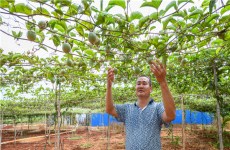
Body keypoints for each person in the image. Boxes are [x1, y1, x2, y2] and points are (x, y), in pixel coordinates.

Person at [106, 60, 176, 150]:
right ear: (135, 88)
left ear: (150, 89)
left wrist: (163, 82)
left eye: (144, 83)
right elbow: (109, 109)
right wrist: (109, 86)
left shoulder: (158, 107)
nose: (141, 86)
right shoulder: (127, 108)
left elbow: (170, 116)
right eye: (138, 83)